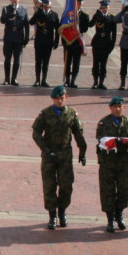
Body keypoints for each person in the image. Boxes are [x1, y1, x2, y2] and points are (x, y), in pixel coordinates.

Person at [32, 85, 88, 230]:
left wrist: (83, 152)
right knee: (49, 185)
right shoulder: (45, 113)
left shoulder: (72, 114)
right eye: (56, 99)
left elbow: (78, 134)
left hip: (65, 155)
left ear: (66, 98)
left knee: (66, 185)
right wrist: (45, 149)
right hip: (49, 155)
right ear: (52, 99)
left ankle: (62, 211)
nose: (59, 101)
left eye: (61, 98)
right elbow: (36, 133)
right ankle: (52, 215)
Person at [95, 97, 128, 233]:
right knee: (107, 191)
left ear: (124, 108)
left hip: (123, 162)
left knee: (126, 189)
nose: (117, 108)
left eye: (120, 106)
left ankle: (119, 214)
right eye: (115, 106)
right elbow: (102, 139)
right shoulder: (104, 123)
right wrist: (119, 142)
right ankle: (110, 219)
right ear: (110, 108)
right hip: (107, 161)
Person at [0, 0, 29, 86]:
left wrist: (26, 38)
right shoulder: (6, 9)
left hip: (19, 37)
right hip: (9, 36)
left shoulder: (23, 9)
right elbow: (2, 21)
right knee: (7, 59)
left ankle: (14, 78)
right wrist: (9, 14)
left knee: (17, 59)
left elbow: (26, 25)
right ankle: (6, 78)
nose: (14, 0)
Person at [31, 0, 59, 87]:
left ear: (51, 5)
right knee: (38, 61)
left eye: (48, 5)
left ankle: (44, 80)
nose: (47, 7)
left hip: (48, 41)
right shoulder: (39, 13)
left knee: (46, 62)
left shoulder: (54, 14)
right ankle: (37, 80)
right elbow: (31, 22)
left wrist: (56, 41)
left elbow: (57, 29)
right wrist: (36, 12)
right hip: (39, 41)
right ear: (43, 5)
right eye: (45, 5)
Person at [62, 0, 89, 88]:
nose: (79, 5)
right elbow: (62, 28)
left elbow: (85, 29)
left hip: (77, 42)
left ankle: (73, 80)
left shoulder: (85, 16)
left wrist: (77, 26)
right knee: (67, 62)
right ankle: (67, 80)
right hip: (68, 42)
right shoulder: (68, 14)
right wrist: (64, 43)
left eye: (80, 3)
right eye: (77, 3)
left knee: (76, 62)